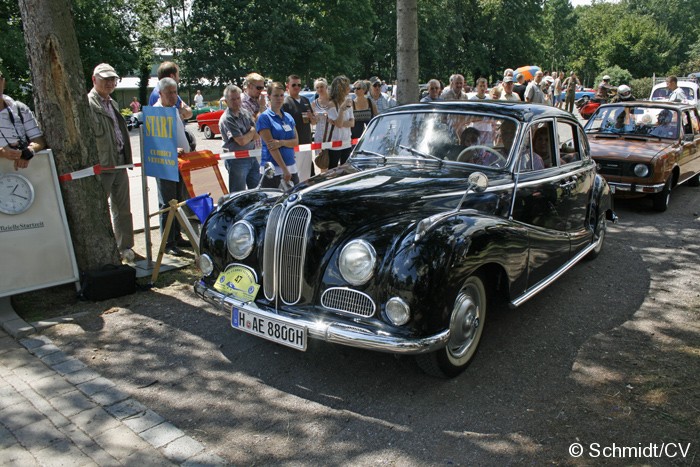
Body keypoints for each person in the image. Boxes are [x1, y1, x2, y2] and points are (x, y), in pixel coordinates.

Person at [87, 63, 140, 262]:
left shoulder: (113, 103)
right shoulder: (89, 103)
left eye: (112, 79)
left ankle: (124, 247)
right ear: (94, 80)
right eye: (105, 79)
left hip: (119, 162)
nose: (110, 83)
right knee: (100, 210)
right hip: (103, 164)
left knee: (123, 209)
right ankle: (102, 250)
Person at [153, 77, 191, 256]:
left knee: (178, 201)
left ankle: (177, 236)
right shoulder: (156, 112)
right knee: (168, 203)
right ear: (160, 94)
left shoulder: (175, 110)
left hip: (181, 164)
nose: (174, 96)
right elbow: (154, 142)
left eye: (175, 92)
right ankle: (168, 243)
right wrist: (172, 149)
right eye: (169, 93)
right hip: (165, 164)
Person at [0, 70, 46, 171]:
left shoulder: (19, 108)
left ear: (3, 82)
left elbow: (39, 140)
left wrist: (27, 152)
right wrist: (2, 153)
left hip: (27, 175)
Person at [256, 82, 299, 189]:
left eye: (281, 95)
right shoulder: (264, 118)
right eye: (276, 95)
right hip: (273, 171)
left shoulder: (288, 117)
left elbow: (296, 141)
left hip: (291, 167)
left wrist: (281, 143)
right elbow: (271, 146)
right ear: (269, 96)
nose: (279, 98)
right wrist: (284, 169)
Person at [219, 85, 260, 192]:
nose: (236, 101)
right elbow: (241, 141)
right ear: (226, 101)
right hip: (237, 161)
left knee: (257, 191)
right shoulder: (227, 119)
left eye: (238, 98)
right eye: (233, 99)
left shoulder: (245, 113)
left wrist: (249, 135)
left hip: (251, 156)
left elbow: (257, 135)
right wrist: (251, 131)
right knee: (238, 194)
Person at [282, 74, 315, 180]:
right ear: (288, 86)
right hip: (294, 144)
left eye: (299, 85)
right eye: (294, 85)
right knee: (295, 173)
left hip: (307, 141)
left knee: (307, 174)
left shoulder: (305, 100)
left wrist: (312, 117)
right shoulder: (285, 103)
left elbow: (314, 122)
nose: (297, 87)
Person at [324, 75, 355, 169]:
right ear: (340, 88)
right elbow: (339, 124)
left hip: (346, 142)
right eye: (347, 86)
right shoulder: (331, 104)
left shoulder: (348, 102)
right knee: (333, 171)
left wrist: (339, 123)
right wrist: (341, 110)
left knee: (345, 170)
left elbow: (352, 123)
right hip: (335, 144)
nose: (349, 88)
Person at [350, 80, 375, 144]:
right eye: (354, 88)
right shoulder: (351, 103)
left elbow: (376, 115)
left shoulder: (370, 102)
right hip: (355, 136)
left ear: (364, 90)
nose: (356, 90)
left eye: (358, 88)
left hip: (369, 135)